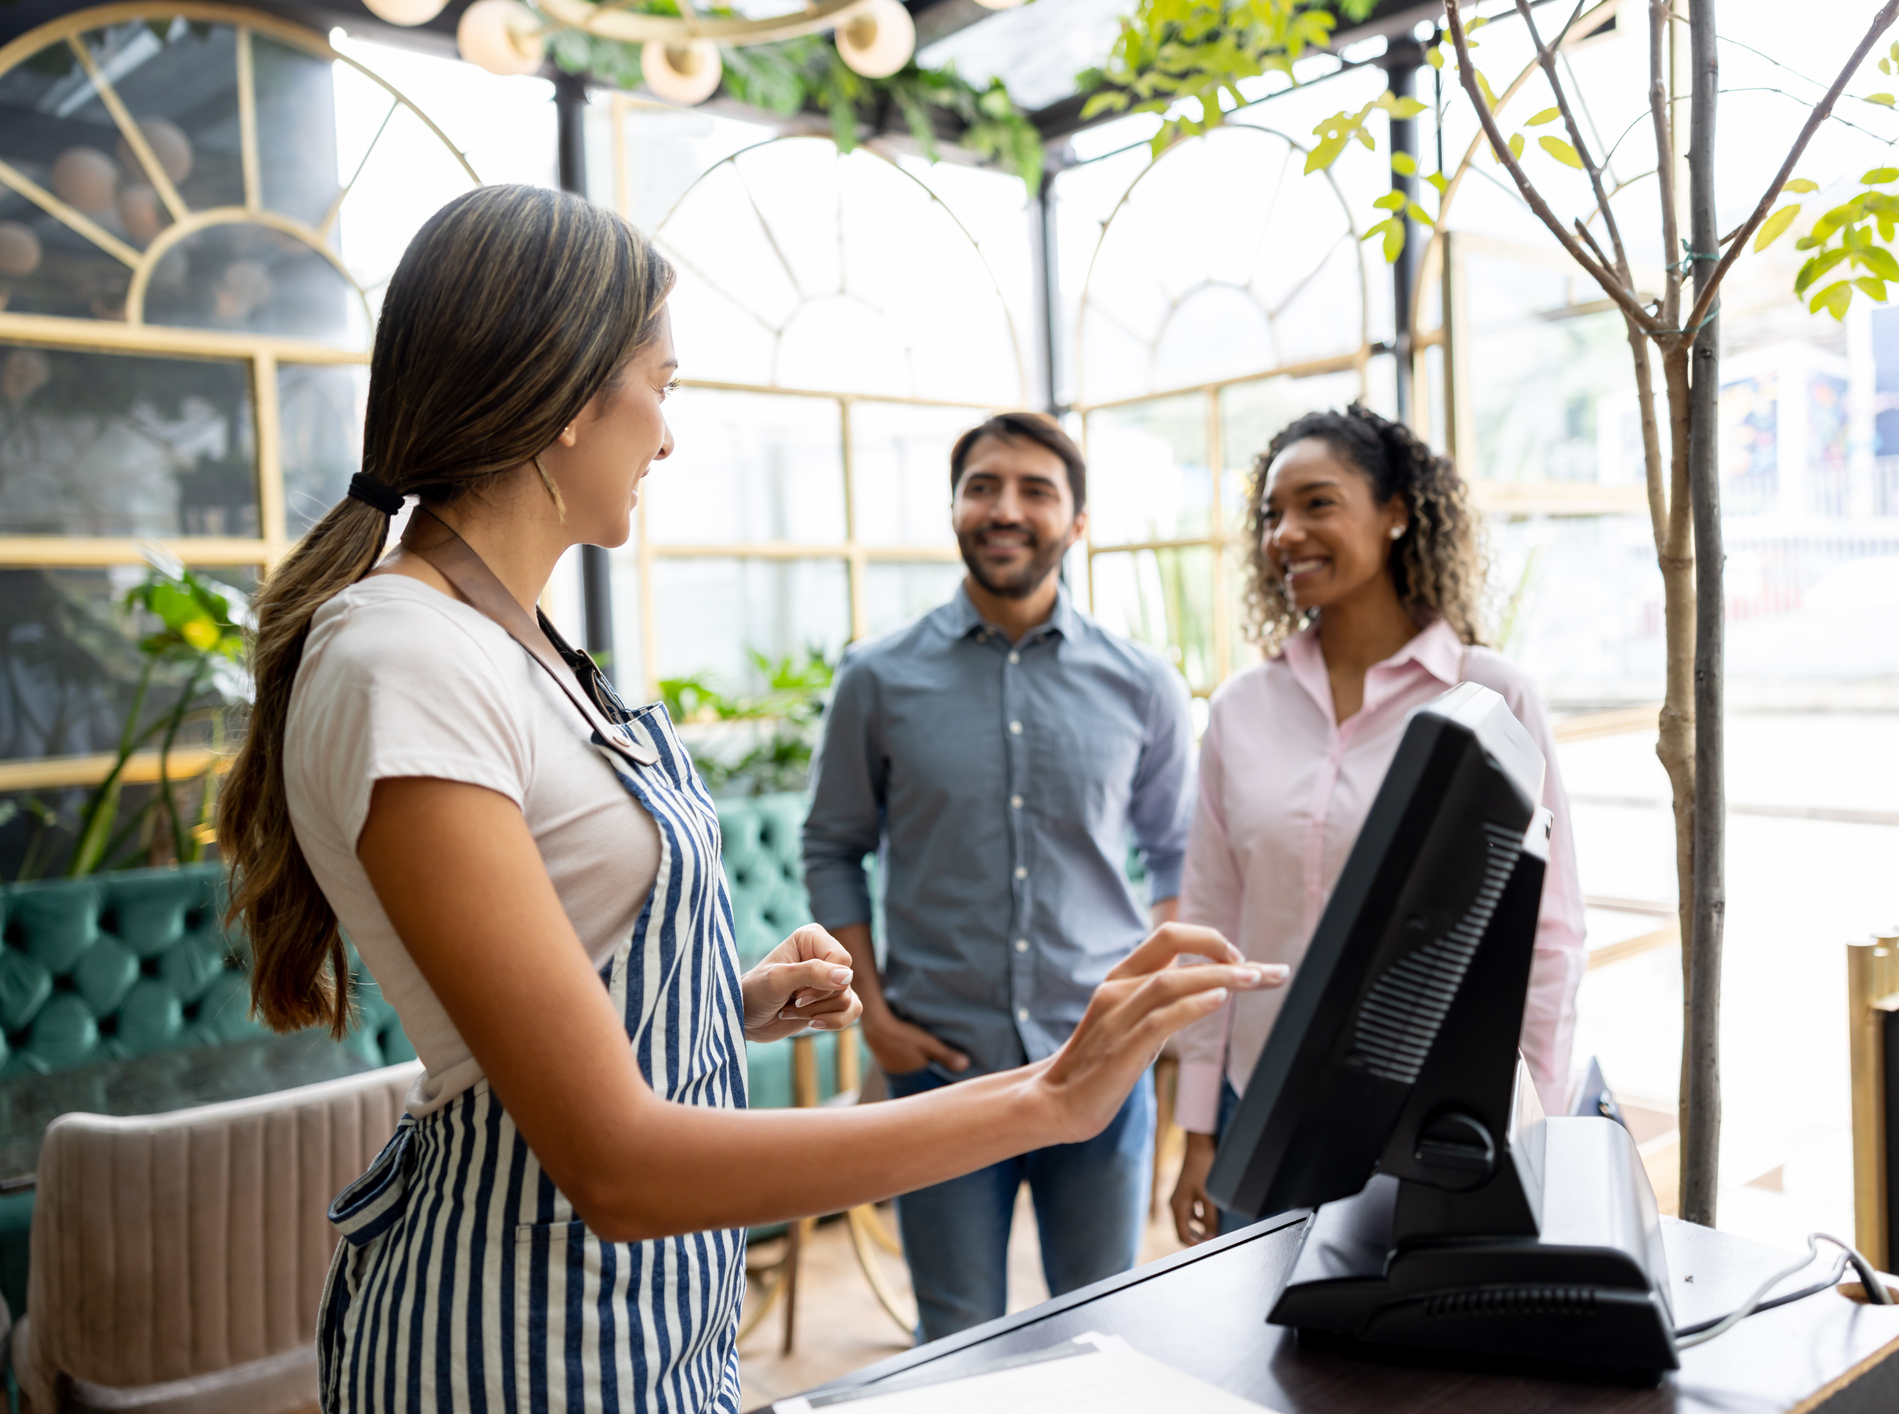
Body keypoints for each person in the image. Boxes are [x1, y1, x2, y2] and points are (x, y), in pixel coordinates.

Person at [215, 186, 1283, 1414]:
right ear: (567, 399)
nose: (667, 436)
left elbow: (537, 1005)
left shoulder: (499, 639)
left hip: (646, 1317)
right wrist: (1047, 1097)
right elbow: (611, 1162)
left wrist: (722, 1006)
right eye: (661, 383)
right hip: (516, 1337)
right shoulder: (406, 654)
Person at [802, 412, 1197, 1340]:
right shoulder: (877, 678)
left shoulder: (1142, 684)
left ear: (1078, 519)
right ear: (953, 510)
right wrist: (879, 1018)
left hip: (1099, 1057)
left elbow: (1178, 849)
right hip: (937, 1071)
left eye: (1035, 489)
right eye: (982, 486)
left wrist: (1153, 1010)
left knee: (1100, 1327)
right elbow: (833, 846)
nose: (1005, 509)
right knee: (953, 1335)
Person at [1165, 404, 1585, 1248]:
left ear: (1397, 512)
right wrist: (1200, 1128)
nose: (1285, 534)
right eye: (1271, 515)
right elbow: (1210, 926)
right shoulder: (1242, 710)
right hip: (1265, 1106)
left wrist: (1533, 1113)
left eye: (1318, 504)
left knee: (1412, 1372)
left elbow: (1550, 930)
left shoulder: (1491, 695)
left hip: (1432, 1116)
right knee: (1261, 1362)